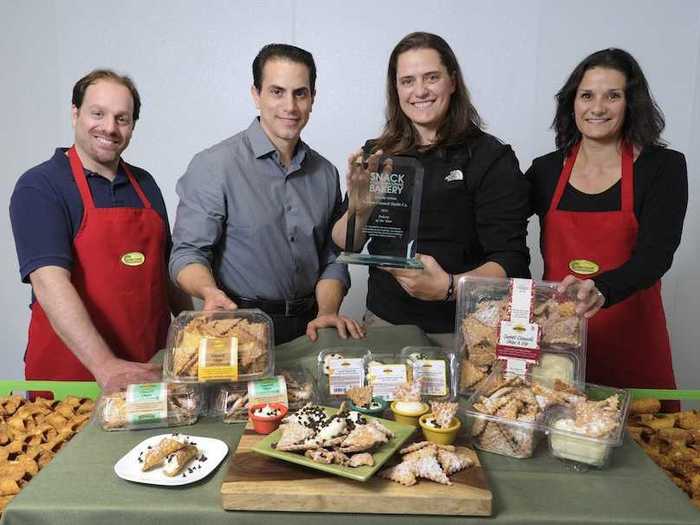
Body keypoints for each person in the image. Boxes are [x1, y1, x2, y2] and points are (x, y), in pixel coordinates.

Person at [332, 32, 530, 334]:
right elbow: (346, 243)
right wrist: (360, 208)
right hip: (386, 323)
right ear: (396, 89)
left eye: (431, 77)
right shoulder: (379, 154)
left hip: (466, 328)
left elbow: (511, 261)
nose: (420, 91)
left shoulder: (491, 158)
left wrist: (449, 287)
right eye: (408, 81)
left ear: (452, 81)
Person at [170, 43, 362, 345]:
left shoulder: (325, 173)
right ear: (255, 95)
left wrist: (326, 311)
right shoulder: (214, 166)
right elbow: (187, 253)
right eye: (277, 92)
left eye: (300, 93)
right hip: (238, 327)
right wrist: (209, 292)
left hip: (310, 329)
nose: (290, 106)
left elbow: (332, 257)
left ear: (313, 99)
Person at [526, 48, 687, 408]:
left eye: (612, 96)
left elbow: (656, 256)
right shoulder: (546, 170)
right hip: (560, 348)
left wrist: (602, 289)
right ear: (572, 103)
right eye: (587, 95)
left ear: (632, 104)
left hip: (635, 344)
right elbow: (497, 225)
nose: (597, 108)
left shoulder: (662, 167)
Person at [9, 69, 186, 392]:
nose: (109, 127)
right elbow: (49, 284)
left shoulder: (144, 184)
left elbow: (167, 274)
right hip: (73, 378)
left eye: (122, 118)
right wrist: (105, 366)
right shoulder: (40, 186)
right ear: (75, 113)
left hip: (147, 371)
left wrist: (200, 330)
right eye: (98, 114)